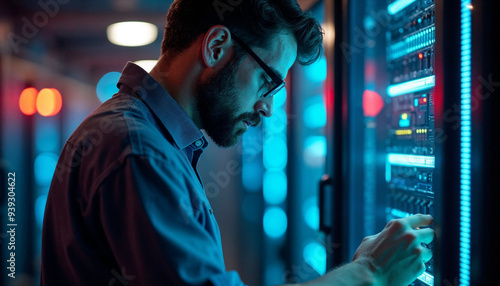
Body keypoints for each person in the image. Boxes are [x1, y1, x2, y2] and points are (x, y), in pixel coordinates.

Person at [40, 0, 434, 285]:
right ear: (215, 47)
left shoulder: (142, 136)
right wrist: (371, 271)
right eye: (267, 82)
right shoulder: (139, 151)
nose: (267, 109)